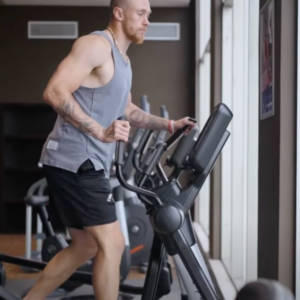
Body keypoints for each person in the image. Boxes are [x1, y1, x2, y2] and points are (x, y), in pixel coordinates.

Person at [23, 0, 195, 299]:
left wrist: (170, 125)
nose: (147, 21)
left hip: (88, 162)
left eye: (149, 16)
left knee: (86, 245)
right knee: (113, 243)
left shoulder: (124, 61)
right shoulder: (95, 45)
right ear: (118, 12)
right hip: (74, 160)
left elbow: (127, 110)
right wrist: (99, 131)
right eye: (141, 13)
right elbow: (54, 91)